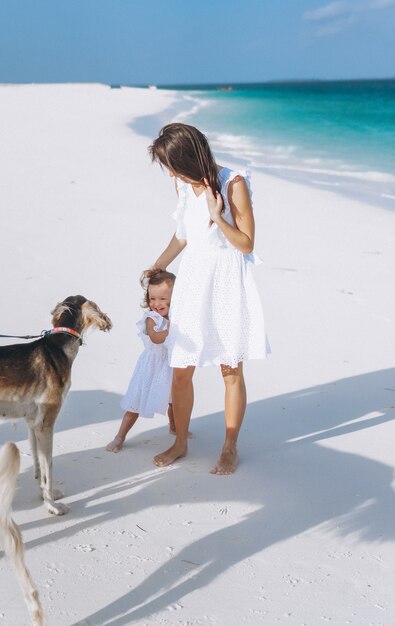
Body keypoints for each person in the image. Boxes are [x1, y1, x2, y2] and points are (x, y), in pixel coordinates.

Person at [148, 122, 270, 474]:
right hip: (192, 280)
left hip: (227, 281)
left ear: (188, 157)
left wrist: (218, 216)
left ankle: (229, 446)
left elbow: (247, 243)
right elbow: (183, 234)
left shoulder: (234, 183)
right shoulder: (183, 185)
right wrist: (158, 264)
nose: (170, 173)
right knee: (180, 368)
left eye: (173, 165)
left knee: (230, 368)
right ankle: (181, 441)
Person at [106, 269, 176, 453]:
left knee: (174, 401)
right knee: (135, 402)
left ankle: (175, 427)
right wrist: (171, 330)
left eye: (162, 298)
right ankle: (119, 437)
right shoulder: (151, 318)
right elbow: (155, 338)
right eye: (152, 298)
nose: (156, 303)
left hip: (170, 365)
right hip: (151, 366)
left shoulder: (176, 317)